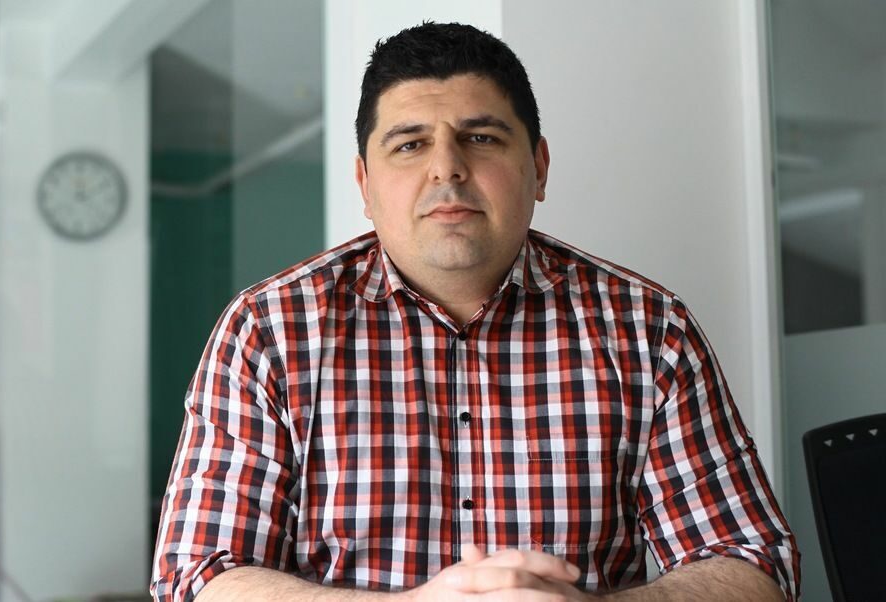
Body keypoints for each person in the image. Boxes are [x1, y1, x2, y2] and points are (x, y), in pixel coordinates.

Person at [151, 22, 800, 601]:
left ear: (538, 167)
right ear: (365, 186)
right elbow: (196, 575)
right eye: (410, 144)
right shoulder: (267, 332)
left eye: (481, 137)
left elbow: (754, 561)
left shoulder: (649, 330)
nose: (448, 169)